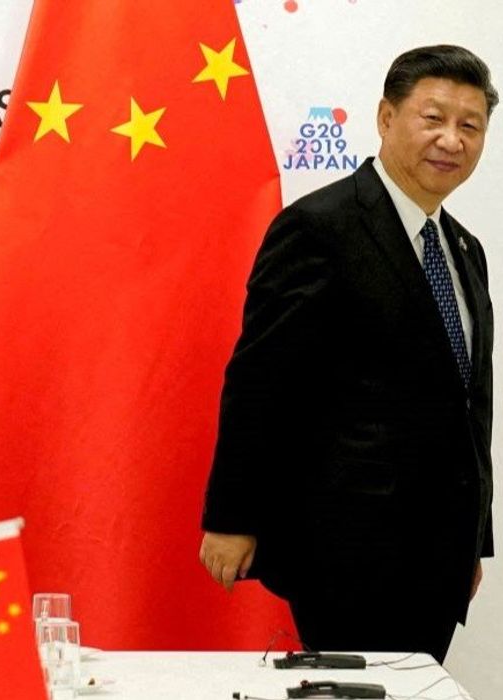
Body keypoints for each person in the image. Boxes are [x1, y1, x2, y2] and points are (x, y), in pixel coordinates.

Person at [200, 44, 496, 663]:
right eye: (433, 117)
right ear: (386, 119)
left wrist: (472, 540)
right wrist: (232, 516)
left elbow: (471, 404)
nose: (452, 140)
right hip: (346, 545)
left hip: (438, 555)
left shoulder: (465, 249)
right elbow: (260, 380)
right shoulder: (320, 227)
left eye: (470, 125)